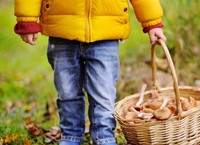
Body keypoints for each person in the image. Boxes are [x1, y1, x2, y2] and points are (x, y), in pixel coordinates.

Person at [14, 0, 166, 145]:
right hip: (62, 28)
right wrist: (27, 18)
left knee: (103, 92)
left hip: (106, 30)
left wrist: (152, 21)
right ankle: (71, 135)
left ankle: (104, 137)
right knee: (67, 91)